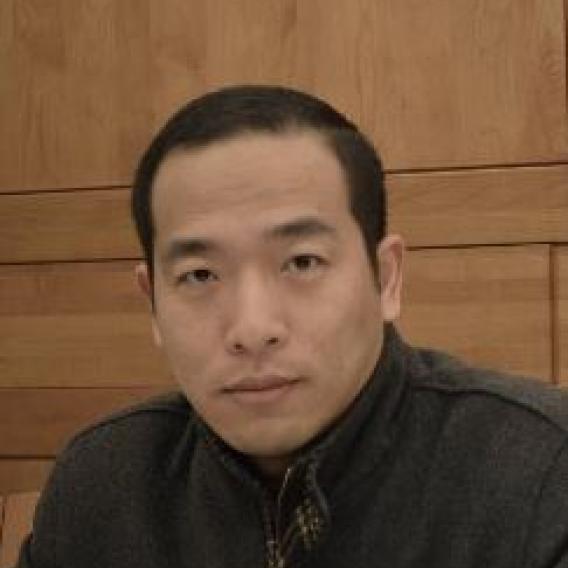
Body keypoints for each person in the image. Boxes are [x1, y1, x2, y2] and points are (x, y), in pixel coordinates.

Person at [15, 85, 568, 568]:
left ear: (386, 278)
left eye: (302, 262)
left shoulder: (541, 470)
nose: (252, 329)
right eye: (200, 275)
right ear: (153, 304)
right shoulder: (102, 483)